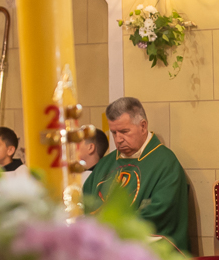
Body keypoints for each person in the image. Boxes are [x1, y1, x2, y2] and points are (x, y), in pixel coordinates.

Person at [82, 97, 191, 250]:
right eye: (114, 133)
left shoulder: (165, 162)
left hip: (146, 248)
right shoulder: (105, 164)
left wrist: (112, 231)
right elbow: (85, 202)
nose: (118, 139)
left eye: (124, 132)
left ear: (143, 126)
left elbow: (160, 211)